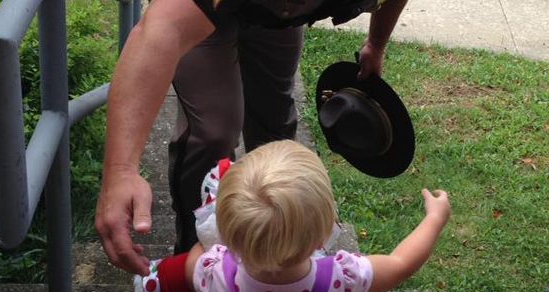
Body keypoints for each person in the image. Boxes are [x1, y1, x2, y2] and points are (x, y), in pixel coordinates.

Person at [95, 0, 410, 276]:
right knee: (213, 134)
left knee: (275, 126)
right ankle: (196, 260)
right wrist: (121, 171)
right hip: (206, 10)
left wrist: (376, 44)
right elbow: (163, 28)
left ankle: (284, 256)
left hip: (274, 17)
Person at [134, 140, 451, 292]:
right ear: (324, 230)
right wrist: (435, 219)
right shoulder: (343, 278)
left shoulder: (212, 271)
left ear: (224, 230)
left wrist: (154, 277)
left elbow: (183, 269)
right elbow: (401, 263)